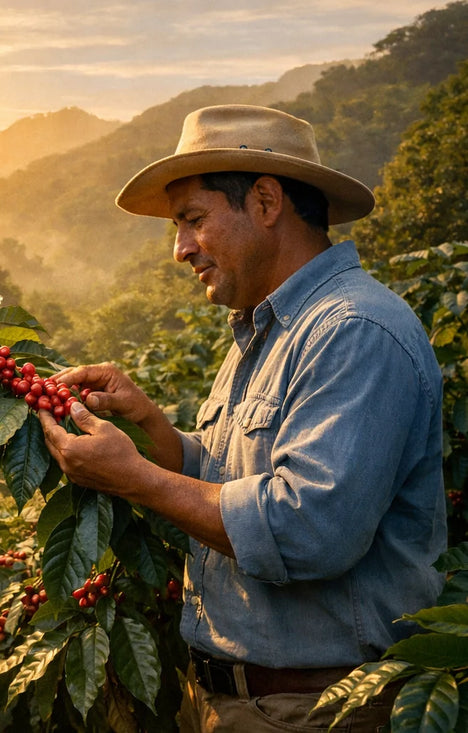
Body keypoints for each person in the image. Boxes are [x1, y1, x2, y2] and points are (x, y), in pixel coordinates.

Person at [38, 104, 446, 731]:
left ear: (264, 201)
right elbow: (227, 472)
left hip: (314, 709)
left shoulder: (354, 331)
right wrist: (149, 426)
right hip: (241, 701)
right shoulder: (266, 330)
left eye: (193, 220)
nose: (180, 249)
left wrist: (135, 479)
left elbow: (307, 528)